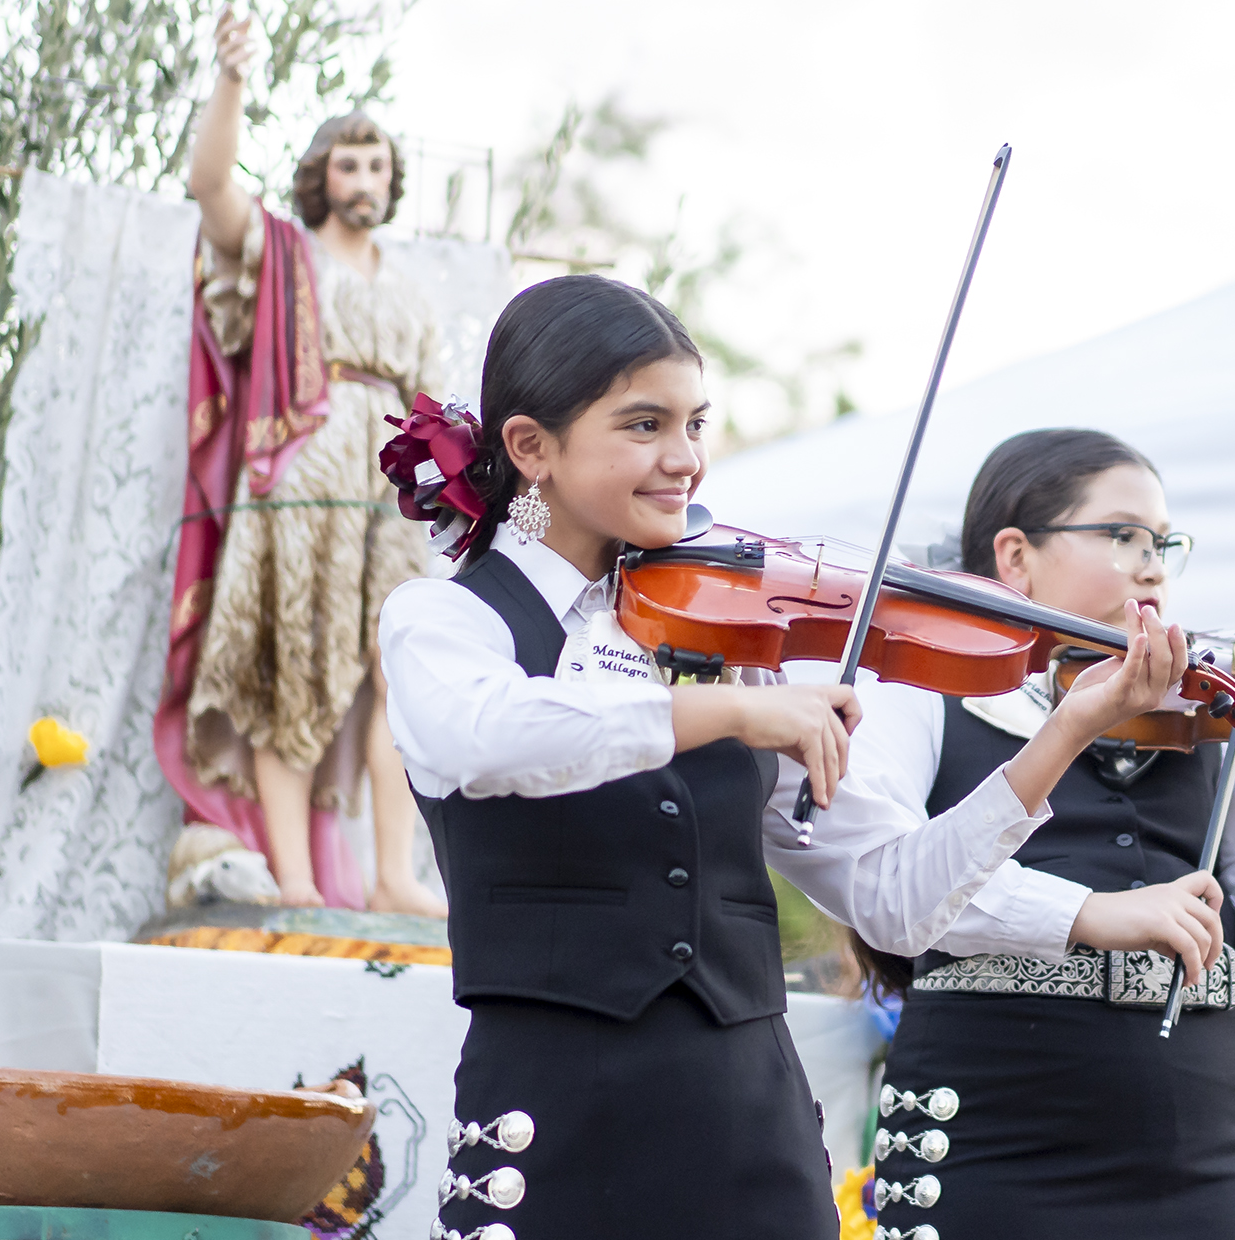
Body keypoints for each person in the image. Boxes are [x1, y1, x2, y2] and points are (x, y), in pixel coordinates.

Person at [377, 278, 1192, 1240]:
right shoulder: (447, 619)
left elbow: (892, 894)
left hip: (749, 1132)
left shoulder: (730, 639)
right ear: (530, 447)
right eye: (644, 425)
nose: (685, 461)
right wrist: (726, 712)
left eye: (696, 423)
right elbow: (488, 736)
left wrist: (1066, 732)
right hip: (554, 1126)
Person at [810, 428, 1229, 1239]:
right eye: (1121, 537)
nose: (1150, 566)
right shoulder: (916, 686)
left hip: (1202, 1161)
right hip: (994, 1150)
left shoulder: (1201, 721)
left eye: (1163, 545)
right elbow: (892, 884)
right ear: (1014, 556)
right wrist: (1087, 912)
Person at [154, 7, 445, 915]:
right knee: (299, 664)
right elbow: (210, 185)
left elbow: (433, 403)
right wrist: (234, 80)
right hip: (302, 482)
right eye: (349, 162)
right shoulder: (283, 253)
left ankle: (393, 873)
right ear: (321, 176)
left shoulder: (408, 289)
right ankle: (294, 876)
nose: (364, 177)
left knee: (399, 672)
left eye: (379, 165)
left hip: (390, 495)